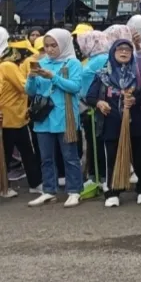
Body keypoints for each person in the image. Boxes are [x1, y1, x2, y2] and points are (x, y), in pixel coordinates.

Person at [85, 38, 141, 207]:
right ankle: (112, 191)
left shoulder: (138, 74)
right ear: (112, 52)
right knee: (112, 158)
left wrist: (135, 99)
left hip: (136, 122)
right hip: (112, 123)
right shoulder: (103, 74)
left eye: (127, 50)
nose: (124, 52)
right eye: (120, 49)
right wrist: (100, 103)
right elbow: (90, 96)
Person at [26, 29, 85, 207]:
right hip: (44, 118)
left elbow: (75, 87)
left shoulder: (73, 63)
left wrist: (53, 77)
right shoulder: (42, 62)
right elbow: (31, 92)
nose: (50, 49)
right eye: (47, 46)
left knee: (70, 156)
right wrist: (30, 78)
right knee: (46, 158)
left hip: (65, 116)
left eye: (54, 45)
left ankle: (74, 190)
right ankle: (49, 190)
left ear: (64, 44)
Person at [0, 30, 42, 196]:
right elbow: (25, 87)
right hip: (11, 117)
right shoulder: (8, 66)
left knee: (22, 153)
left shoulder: (6, 65)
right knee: (10, 154)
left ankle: (33, 183)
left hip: (14, 116)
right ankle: (5, 187)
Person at [76, 30, 111, 184]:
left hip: (95, 105)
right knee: (92, 141)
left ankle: (100, 175)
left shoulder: (102, 59)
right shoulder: (92, 59)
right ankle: (95, 174)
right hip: (87, 105)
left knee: (97, 141)